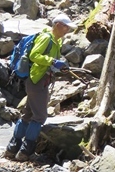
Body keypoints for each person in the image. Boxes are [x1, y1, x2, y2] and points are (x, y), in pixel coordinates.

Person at [5, 13, 76, 161]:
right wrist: (52, 61)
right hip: (36, 80)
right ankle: (25, 151)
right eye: (66, 27)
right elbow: (34, 55)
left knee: (28, 114)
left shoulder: (57, 41)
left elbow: (51, 62)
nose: (67, 30)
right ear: (57, 25)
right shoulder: (46, 38)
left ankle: (12, 149)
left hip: (42, 80)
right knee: (40, 116)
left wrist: (59, 66)